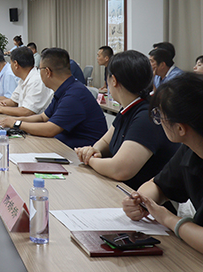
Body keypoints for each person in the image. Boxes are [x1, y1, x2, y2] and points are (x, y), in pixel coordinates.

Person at [122, 73, 203, 254]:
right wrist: (141, 201)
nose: (159, 122)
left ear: (180, 128)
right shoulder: (190, 149)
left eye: (161, 117)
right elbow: (159, 185)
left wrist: (168, 219)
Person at [75, 50, 179, 190]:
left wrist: (90, 160)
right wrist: (94, 150)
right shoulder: (130, 107)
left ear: (114, 80)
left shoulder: (147, 116)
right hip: (121, 189)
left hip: (140, 197)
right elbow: (106, 141)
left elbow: (120, 170)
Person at [0, 48, 107, 148]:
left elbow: (50, 129)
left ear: (47, 72)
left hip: (81, 154)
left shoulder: (74, 95)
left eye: (39, 69)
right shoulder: (64, 89)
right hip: (64, 146)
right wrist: (14, 120)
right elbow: (43, 117)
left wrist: (16, 124)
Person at [0, 47, 53, 116]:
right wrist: (1, 103)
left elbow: (27, 111)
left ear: (16, 64)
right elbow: (13, 101)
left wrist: (0, 109)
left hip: (36, 121)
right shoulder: (23, 79)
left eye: (11, 63)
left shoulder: (36, 80)